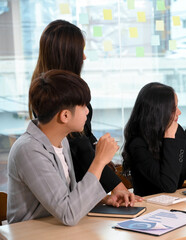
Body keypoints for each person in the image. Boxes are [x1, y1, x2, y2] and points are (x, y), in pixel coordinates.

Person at [29, 19, 138, 204]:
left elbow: (84, 141)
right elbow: (80, 147)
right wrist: (116, 186)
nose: (84, 57)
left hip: (79, 192)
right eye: (81, 51)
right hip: (73, 195)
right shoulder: (58, 96)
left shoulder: (47, 88)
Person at [7, 70, 124, 225]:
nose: (87, 111)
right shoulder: (28, 150)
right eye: (83, 106)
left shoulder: (62, 141)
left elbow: (66, 197)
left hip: (57, 230)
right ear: (65, 116)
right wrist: (99, 161)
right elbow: (68, 214)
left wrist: (105, 198)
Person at [121, 82, 186, 197]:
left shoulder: (177, 132)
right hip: (150, 206)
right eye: (173, 108)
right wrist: (169, 139)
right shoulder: (137, 144)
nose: (179, 112)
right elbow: (168, 185)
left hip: (175, 203)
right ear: (158, 112)